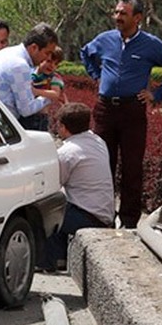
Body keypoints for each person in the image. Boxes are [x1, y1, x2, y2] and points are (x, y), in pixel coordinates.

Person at [80, 0, 162, 228]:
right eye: (116, 12)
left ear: (137, 18)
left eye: (123, 14)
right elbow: (85, 53)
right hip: (105, 110)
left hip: (132, 112)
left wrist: (157, 94)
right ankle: (102, 217)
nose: (117, 17)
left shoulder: (151, 44)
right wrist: (97, 77)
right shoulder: (105, 40)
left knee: (132, 167)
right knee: (102, 164)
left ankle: (129, 221)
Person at [38, 102, 115, 272]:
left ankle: (45, 262)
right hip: (105, 215)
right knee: (64, 203)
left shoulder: (68, 152)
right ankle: (61, 258)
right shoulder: (98, 141)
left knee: (45, 209)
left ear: (64, 127)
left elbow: (52, 184)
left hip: (87, 217)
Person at [0, 22, 61, 127]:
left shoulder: (7, 53)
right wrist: (49, 98)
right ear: (34, 48)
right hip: (1, 126)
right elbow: (26, 109)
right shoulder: (19, 66)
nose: (47, 58)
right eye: (47, 53)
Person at [21, 45, 65, 132]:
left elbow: (55, 94)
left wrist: (36, 92)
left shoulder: (54, 78)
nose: (52, 66)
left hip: (40, 117)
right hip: (24, 113)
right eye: (49, 61)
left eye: (56, 64)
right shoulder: (30, 72)